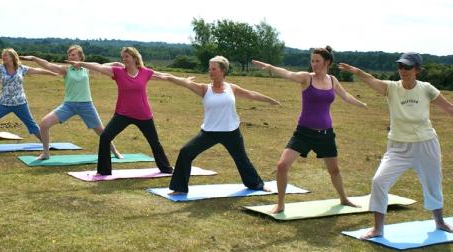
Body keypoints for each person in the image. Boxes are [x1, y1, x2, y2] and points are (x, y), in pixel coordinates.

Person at [339, 52, 453, 239]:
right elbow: (370, 79)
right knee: (379, 181)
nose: (403, 70)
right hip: (398, 147)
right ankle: (378, 228)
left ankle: (440, 222)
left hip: (426, 144)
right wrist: (356, 71)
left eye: (407, 67)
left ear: (417, 69)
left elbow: (449, 108)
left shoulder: (427, 89)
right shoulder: (391, 88)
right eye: (400, 66)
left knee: (433, 183)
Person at [252, 46, 367, 214]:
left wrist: (361, 104)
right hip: (304, 132)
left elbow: (346, 96)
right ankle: (280, 204)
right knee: (282, 165)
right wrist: (270, 67)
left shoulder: (333, 80)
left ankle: (344, 198)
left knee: (334, 170)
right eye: (312, 61)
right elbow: (287, 74)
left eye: (317, 61)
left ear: (327, 62)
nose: (313, 64)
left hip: (326, 133)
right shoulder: (306, 78)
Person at [163, 56, 279, 194]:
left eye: (214, 69)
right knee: (186, 152)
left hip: (231, 132)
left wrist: (270, 100)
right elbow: (178, 81)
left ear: (223, 70)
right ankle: (179, 188)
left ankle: (257, 184)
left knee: (242, 159)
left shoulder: (232, 88)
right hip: (209, 132)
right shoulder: (204, 89)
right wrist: (157, 75)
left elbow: (251, 94)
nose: (210, 71)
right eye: (209, 68)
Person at [67, 47, 173, 175]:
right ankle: (104, 171)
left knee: (154, 142)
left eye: (127, 56)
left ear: (134, 58)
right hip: (123, 114)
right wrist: (81, 63)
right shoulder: (118, 72)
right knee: (105, 137)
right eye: (123, 57)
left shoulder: (145, 72)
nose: (124, 59)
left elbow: (164, 76)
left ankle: (166, 168)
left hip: (143, 114)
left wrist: (184, 81)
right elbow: (98, 67)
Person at [19, 45, 123, 160]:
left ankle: (115, 151)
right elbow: (48, 65)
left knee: (101, 131)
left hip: (86, 105)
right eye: (69, 54)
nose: (70, 57)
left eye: (73, 54)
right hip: (69, 105)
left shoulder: (87, 68)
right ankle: (46, 153)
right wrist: (34, 58)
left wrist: (117, 64)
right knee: (44, 124)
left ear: (80, 57)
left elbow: (102, 66)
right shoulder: (66, 69)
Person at [0, 48, 58, 148]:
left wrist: (53, 73)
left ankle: (45, 144)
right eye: (2, 55)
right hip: (4, 103)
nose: (3, 57)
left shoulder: (21, 68)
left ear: (12, 57)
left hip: (20, 103)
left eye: (6, 55)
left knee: (31, 125)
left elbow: (38, 70)